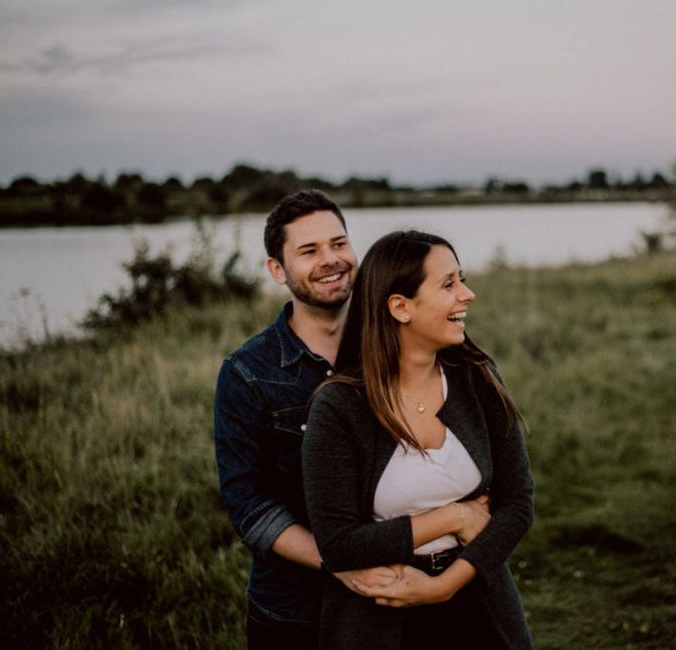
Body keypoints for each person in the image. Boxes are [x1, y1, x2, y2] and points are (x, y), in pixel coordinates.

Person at [301, 230, 535, 649]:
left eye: (461, 279)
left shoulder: (477, 378)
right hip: (380, 619)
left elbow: (517, 505)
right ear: (400, 307)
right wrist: (455, 518)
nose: (468, 295)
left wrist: (443, 585)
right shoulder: (339, 407)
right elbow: (338, 545)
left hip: (481, 606)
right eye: (449, 284)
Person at [214, 190, 399, 649]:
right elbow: (248, 505)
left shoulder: (397, 348)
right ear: (277, 270)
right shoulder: (247, 373)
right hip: (295, 613)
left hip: (399, 599)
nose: (331, 260)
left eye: (339, 243)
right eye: (309, 251)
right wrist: (342, 561)